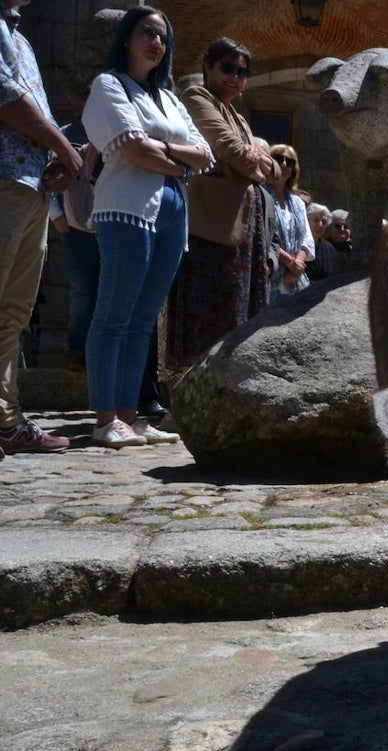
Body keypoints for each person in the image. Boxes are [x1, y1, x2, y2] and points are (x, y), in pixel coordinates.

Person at [80, 7, 211, 448]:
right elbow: (133, 149)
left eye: (163, 36)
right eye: (147, 32)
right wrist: (178, 162)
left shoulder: (171, 98)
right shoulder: (109, 85)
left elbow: (205, 154)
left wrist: (167, 150)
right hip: (127, 207)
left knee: (143, 320)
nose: (156, 42)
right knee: (114, 313)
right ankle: (104, 417)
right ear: (126, 38)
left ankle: (131, 416)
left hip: (173, 210)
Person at [165, 36, 278, 391]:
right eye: (227, 68)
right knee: (204, 314)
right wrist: (253, 161)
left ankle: (225, 389)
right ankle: (188, 393)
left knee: (239, 315)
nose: (235, 77)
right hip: (211, 229)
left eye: (243, 72)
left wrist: (254, 162)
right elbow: (231, 149)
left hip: (243, 234)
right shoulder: (197, 98)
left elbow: (273, 169)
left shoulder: (239, 116)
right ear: (208, 67)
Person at [0, 0, 82, 455]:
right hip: (4, 179)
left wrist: (54, 157)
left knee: (12, 312)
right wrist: (62, 147)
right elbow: (4, 96)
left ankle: (6, 420)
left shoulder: (21, 37)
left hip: (31, 183)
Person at [266, 143, 314, 305]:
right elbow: (263, 237)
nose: (284, 165)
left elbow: (306, 238)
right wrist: (289, 262)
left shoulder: (297, 202)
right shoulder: (261, 195)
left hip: (295, 278)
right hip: (270, 275)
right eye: (279, 159)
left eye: (290, 162)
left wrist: (297, 267)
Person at [304, 202, 335, 283]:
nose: (320, 225)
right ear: (307, 221)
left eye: (324, 222)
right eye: (316, 220)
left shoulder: (329, 248)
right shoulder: (298, 245)